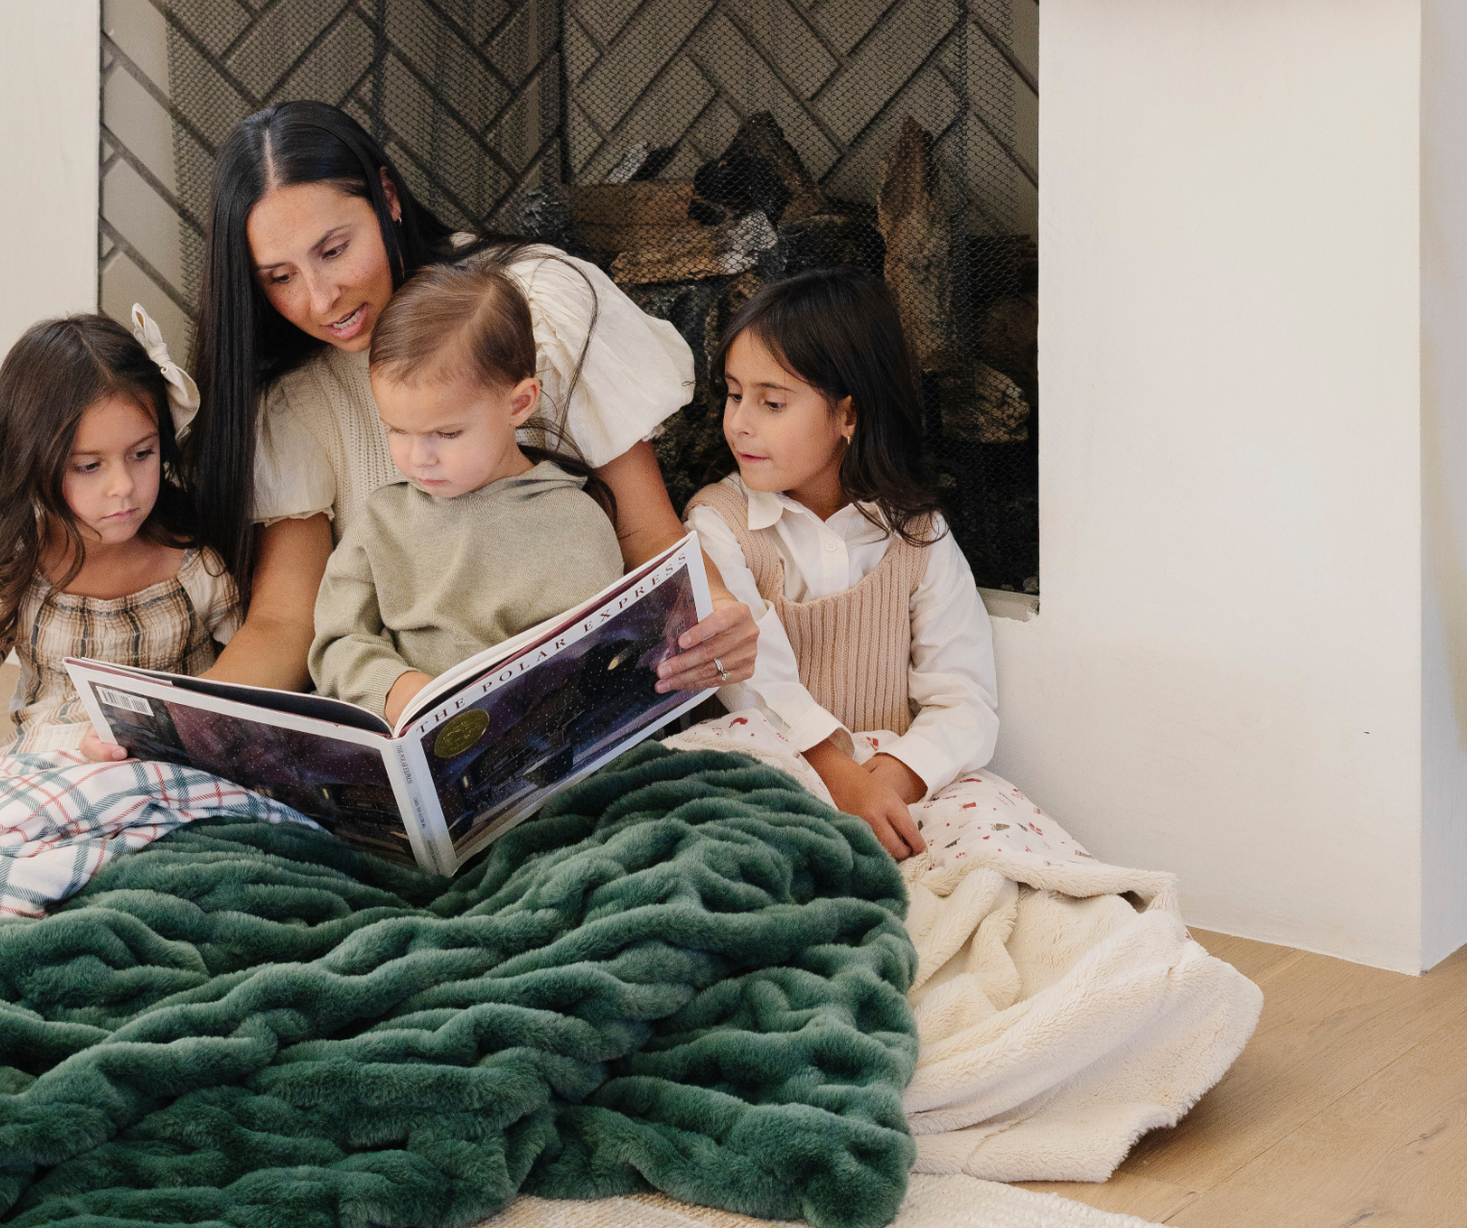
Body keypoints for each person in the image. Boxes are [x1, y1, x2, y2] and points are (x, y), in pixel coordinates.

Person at [180, 100, 758, 699]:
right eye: (280, 277)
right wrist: (187, 721)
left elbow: (644, 532)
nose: (321, 298)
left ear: (388, 197)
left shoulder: (534, 304)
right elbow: (287, 622)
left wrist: (713, 606)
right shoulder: (297, 396)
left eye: (333, 251)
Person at [683, 270, 1014, 861]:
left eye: (772, 402)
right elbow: (756, 689)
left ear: (849, 416)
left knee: (1002, 846)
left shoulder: (918, 533)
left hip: (896, 776)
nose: (739, 422)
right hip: (770, 776)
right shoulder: (717, 527)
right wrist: (840, 779)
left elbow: (963, 696)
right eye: (735, 394)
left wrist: (888, 782)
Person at [0, 310, 234, 773]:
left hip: (168, 784)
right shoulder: (6, 581)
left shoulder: (196, 569)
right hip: (44, 782)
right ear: (32, 461)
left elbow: (258, 695)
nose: (123, 486)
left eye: (142, 454)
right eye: (89, 466)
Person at [308, 261, 625, 722]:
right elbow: (337, 640)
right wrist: (398, 690)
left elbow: (591, 667)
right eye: (397, 430)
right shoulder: (381, 519)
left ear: (519, 403)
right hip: (396, 733)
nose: (419, 457)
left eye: (447, 433)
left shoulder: (574, 522)